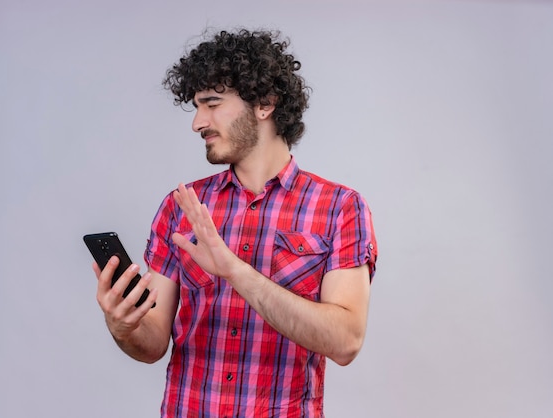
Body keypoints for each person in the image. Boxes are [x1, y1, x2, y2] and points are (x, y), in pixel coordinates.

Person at [94, 28, 378, 417]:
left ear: (265, 104)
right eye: (196, 106)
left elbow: (346, 341)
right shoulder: (181, 207)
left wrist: (234, 271)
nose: (198, 122)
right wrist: (124, 326)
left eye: (211, 103)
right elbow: (153, 342)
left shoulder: (340, 208)